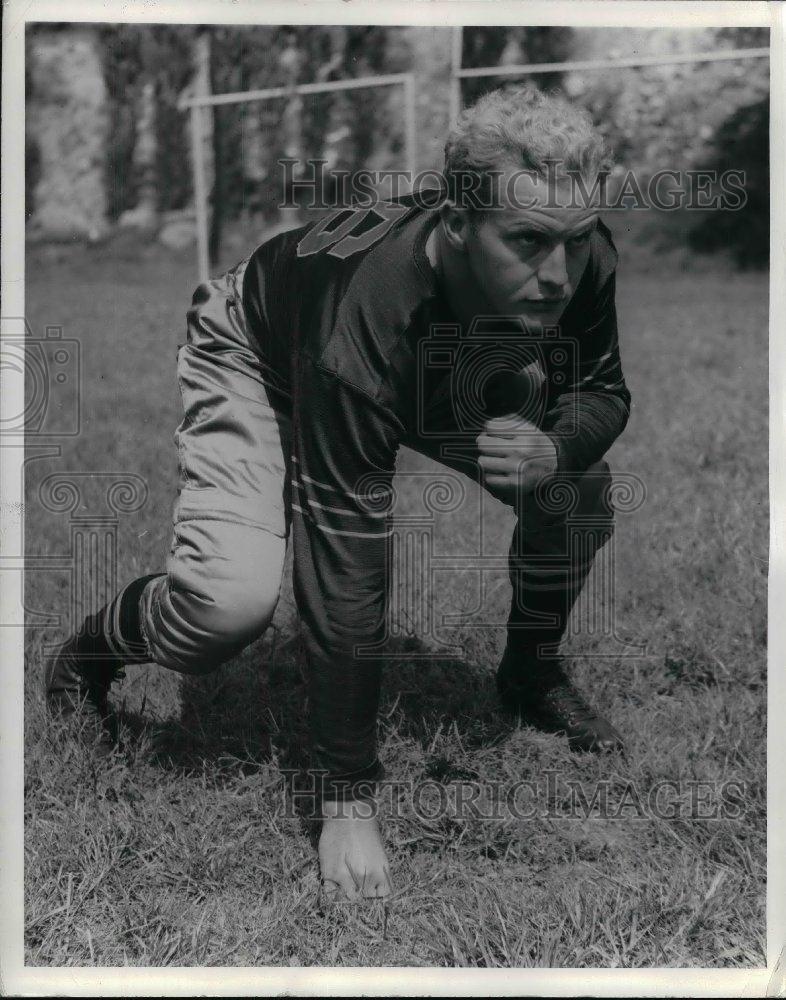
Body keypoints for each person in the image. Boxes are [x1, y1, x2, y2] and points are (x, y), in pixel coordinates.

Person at [46, 85, 631, 901]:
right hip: (264, 349)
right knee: (228, 608)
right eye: (529, 241)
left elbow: (602, 388)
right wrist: (347, 798)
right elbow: (346, 556)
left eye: (573, 240)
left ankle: (529, 674)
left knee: (579, 490)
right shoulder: (364, 315)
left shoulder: (575, 248)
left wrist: (554, 445)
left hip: (438, 353)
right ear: (456, 225)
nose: (560, 274)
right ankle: (86, 654)